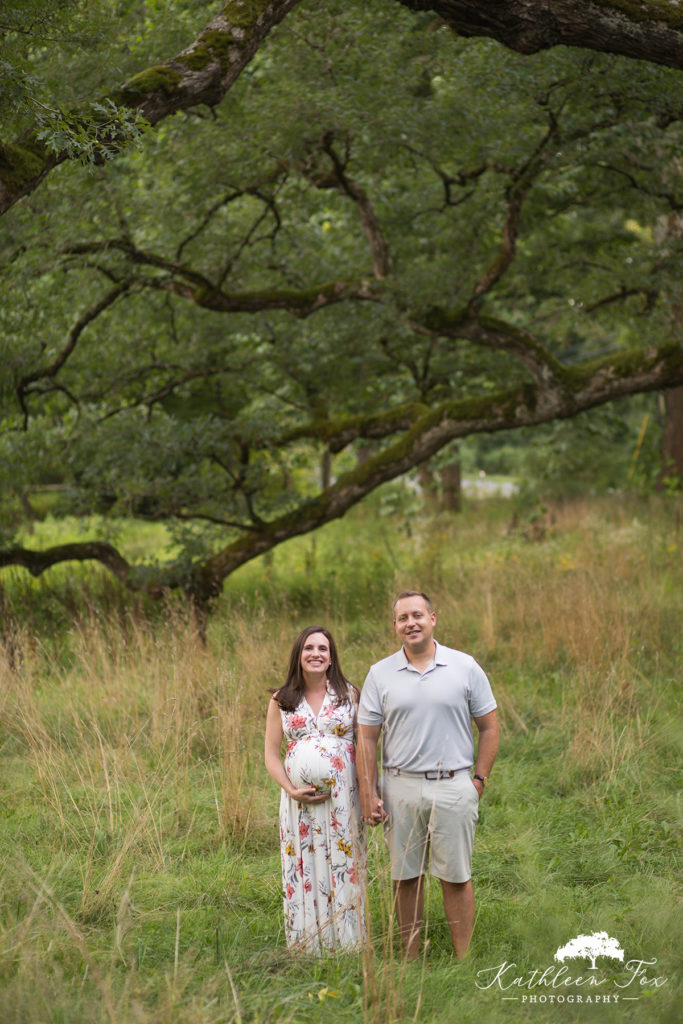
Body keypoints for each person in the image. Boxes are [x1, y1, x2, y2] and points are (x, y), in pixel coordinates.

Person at [356, 591, 498, 960]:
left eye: (417, 615)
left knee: (455, 875)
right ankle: (409, 957)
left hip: (454, 784)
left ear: (433, 618)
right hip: (399, 786)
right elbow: (367, 738)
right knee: (406, 877)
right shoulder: (380, 673)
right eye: (403, 618)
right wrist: (369, 793)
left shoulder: (464, 667)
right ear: (395, 626)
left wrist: (478, 780)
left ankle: (463, 958)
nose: (411, 623)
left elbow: (490, 726)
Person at [265, 625, 365, 953]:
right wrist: (290, 790)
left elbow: (365, 746)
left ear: (332, 657)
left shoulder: (350, 695)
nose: (316, 654)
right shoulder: (282, 700)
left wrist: (370, 792)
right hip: (299, 804)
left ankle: (349, 945)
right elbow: (271, 755)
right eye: (309, 648)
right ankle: (309, 944)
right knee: (304, 865)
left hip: (344, 800)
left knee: (343, 863)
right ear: (299, 655)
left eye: (323, 648)